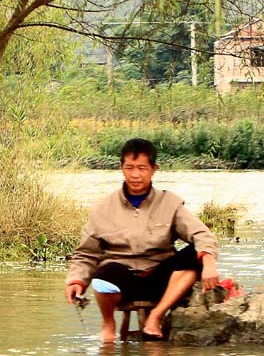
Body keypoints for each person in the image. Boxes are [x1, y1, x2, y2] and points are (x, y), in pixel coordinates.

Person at [65, 138, 219, 342]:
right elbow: (86, 253)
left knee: (193, 256)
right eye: (129, 167)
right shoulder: (103, 208)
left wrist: (208, 264)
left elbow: (201, 234)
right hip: (122, 279)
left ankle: (155, 317)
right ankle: (108, 323)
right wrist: (76, 281)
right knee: (103, 275)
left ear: (153, 169)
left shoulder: (170, 202)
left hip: (160, 278)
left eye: (142, 168)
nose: (135, 175)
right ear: (121, 168)